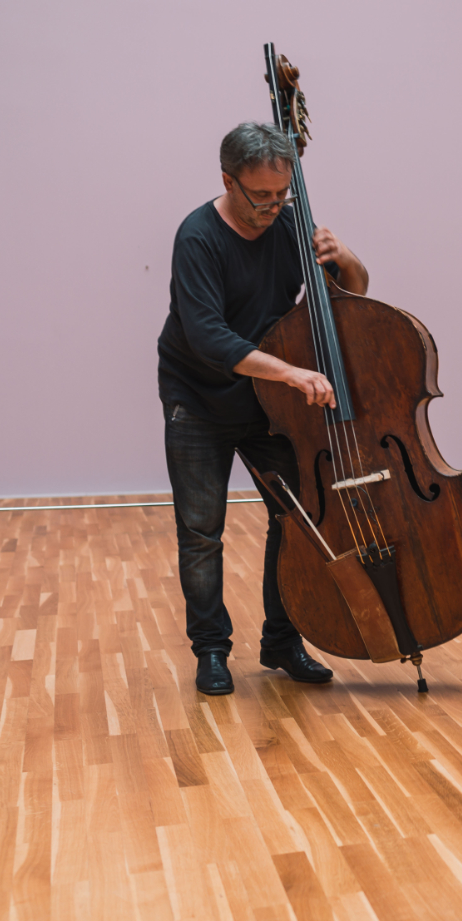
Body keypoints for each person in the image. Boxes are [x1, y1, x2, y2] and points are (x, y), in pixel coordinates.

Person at [157, 122, 371, 696]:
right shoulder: (198, 237)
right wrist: (291, 372)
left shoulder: (288, 221)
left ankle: (282, 640)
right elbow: (209, 338)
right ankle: (210, 651)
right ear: (227, 180)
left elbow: (342, 301)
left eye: (282, 196)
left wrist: (348, 260)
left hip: (268, 402)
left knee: (295, 520)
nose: (273, 208)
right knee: (201, 533)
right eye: (260, 198)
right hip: (198, 399)